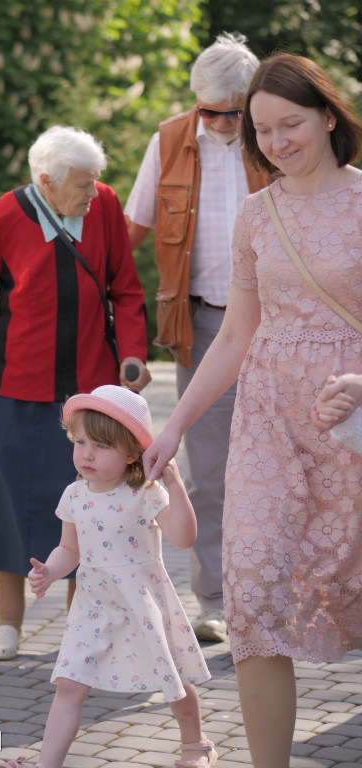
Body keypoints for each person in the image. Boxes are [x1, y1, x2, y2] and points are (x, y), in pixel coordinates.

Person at [143, 53, 362, 768]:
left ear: (329, 115)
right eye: (261, 131)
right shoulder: (255, 215)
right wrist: (171, 426)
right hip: (269, 425)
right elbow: (236, 333)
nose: (276, 143)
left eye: (290, 124)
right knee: (256, 587)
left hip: (352, 430)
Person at [0, 126, 150, 661]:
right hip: (16, 386)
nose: (92, 193)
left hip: (90, 388)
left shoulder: (103, 205)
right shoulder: (4, 215)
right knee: (7, 505)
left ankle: (85, 625)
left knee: (93, 511)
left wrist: (133, 353)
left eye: (95, 181)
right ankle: (8, 624)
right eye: (81, 185)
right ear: (46, 182)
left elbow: (124, 286)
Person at [124, 33, 271, 643]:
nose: (220, 123)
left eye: (233, 111)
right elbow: (129, 229)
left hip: (282, 320)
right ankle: (213, 599)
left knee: (285, 465)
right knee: (210, 471)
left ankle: (278, 593)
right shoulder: (168, 140)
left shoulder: (276, 134)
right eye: (208, 111)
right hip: (205, 322)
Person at [0, 385, 217, 768]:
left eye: (101, 446)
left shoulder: (146, 492)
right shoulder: (74, 495)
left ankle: (196, 745)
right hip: (94, 606)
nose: (86, 454)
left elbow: (184, 538)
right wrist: (50, 570)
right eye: (80, 442)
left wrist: (175, 484)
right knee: (68, 684)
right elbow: (70, 549)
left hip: (141, 602)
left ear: (132, 452)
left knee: (173, 681)